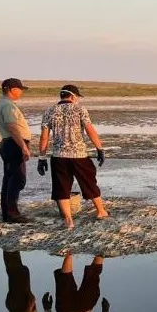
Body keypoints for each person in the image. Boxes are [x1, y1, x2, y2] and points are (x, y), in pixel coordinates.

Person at [37, 84, 108, 229]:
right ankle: (101, 211)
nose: (77, 100)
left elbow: (44, 137)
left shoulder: (49, 111)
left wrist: (41, 157)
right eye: (77, 97)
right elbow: (90, 130)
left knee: (61, 188)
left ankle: (69, 220)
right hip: (79, 155)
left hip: (58, 156)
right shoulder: (80, 109)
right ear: (73, 96)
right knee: (89, 182)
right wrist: (99, 149)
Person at [0, 78, 33, 223]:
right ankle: (12, 213)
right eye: (20, 89)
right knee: (17, 179)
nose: (21, 92)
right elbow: (12, 127)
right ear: (11, 89)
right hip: (13, 144)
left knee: (10, 178)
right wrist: (23, 146)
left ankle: (7, 213)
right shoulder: (7, 106)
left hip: (9, 143)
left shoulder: (4, 103)